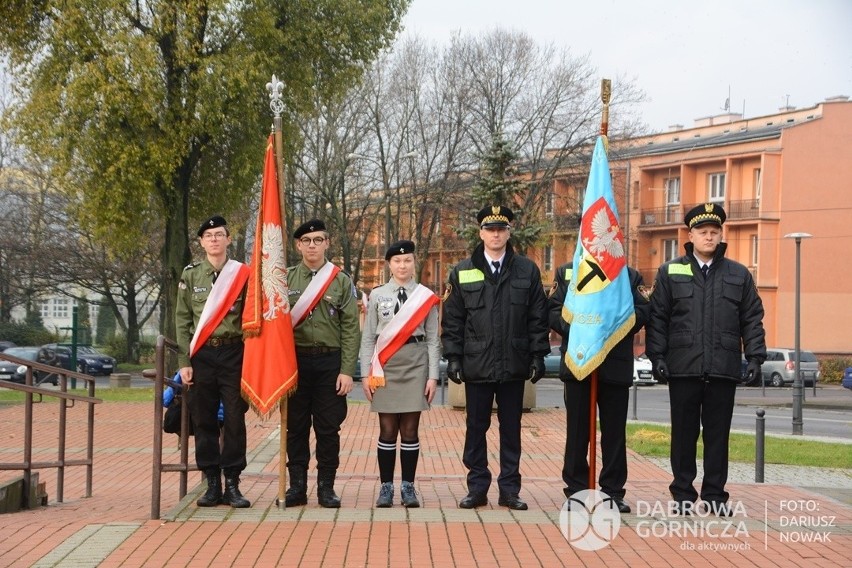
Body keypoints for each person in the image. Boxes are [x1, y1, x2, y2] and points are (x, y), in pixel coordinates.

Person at [646, 203, 766, 516]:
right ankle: (683, 495)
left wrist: (754, 356)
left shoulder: (738, 274)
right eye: (703, 232)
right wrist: (656, 355)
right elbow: (658, 317)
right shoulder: (670, 271)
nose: (709, 237)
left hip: (723, 367)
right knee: (683, 436)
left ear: (720, 235)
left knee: (717, 437)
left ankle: (714, 495)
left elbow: (752, 317)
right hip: (683, 366)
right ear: (691, 235)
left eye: (714, 232)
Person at [441, 205, 550, 510]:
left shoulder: (526, 270)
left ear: (508, 233)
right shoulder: (462, 271)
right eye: (490, 229)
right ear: (481, 233)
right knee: (476, 428)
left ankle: (509, 490)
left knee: (511, 429)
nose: (496, 234)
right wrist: (453, 358)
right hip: (477, 364)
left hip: (514, 364)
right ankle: (477, 487)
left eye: (501, 229)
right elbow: (453, 320)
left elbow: (537, 317)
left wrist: (538, 355)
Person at [548, 262, 649, 513]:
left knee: (614, 434)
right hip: (579, 361)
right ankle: (576, 490)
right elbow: (552, 310)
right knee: (577, 432)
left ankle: (613, 491)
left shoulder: (628, 274)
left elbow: (643, 310)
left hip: (614, 364)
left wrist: (610, 327)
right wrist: (583, 328)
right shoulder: (568, 272)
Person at [175, 215, 251, 508]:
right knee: (203, 418)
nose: (214, 240)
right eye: (208, 236)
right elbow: (182, 320)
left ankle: (232, 482)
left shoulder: (242, 274)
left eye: (219, 234)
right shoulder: (191, 274)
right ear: (201, 242)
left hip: (234, 353)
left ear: (229, 239)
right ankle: (211, 482)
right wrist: (184, 360)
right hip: (201, 354)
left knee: (234, 418)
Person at [283, 219, 361, 508]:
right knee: (296, 427)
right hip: (296, 363)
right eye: (307, 240)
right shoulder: (285, 279)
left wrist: (346, 370)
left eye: (318, 239)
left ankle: (326, 487)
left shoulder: (340, 280)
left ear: (328, 243)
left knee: (328, 429)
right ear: (298, 245)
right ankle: (297, 487)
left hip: (330, 362)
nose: (312, 245)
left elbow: (351, 328)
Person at [359, 240, 441, 508]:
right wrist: (364, 374)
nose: (403, 265)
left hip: (416, 364)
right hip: (385, 366)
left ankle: (408, 487)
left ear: (414, 263)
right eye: (397, 261)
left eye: (407, 261)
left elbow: (432, 340)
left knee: (410, 429)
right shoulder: (378, 295)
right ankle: (385, 488)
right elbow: (369, 337)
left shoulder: (425, 297)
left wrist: (433, 376)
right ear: (389, 265)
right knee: (387, 429)